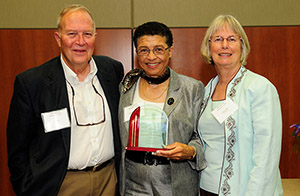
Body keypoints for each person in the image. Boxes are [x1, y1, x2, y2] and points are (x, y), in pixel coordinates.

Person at [7, 4, 124, 196]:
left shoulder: (111, 70)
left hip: (109, 180)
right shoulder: (32, 83)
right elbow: (17, 149)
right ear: (58, 38)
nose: (80, 41)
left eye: (87, 34)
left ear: (95, 37)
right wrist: (26, 188)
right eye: (71, 34)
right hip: (59, 184)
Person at [198, 14, 283, 196]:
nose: (225, 45)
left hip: (243, 190)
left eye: (231, 39)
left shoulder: (260, 88)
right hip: (205, 188)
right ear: (209, 46)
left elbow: (267, 157)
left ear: (242, 46)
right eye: (218, 39)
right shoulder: (205, 91)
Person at [118, 21, 205, 196]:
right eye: (144, 50)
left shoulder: (191, 88)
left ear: (170, 51)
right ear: (137, 54)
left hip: (175, 183)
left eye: (158, 49)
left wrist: (190, 151)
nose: (151, 57)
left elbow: (202, 137)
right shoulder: (126, 87)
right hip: (133, 184)